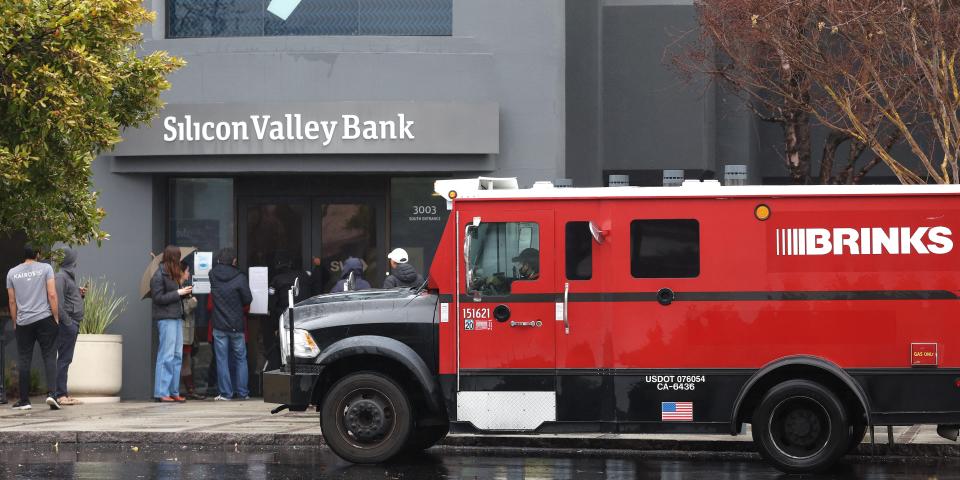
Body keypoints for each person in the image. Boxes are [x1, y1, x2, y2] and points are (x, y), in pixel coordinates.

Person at [6, 244, 61, 410]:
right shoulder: (46, 268)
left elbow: (12, 301)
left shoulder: (12, 273)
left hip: (24, 322)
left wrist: (15, 321)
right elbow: (52, 294)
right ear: (38, 254)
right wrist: (56, 316)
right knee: (50, 357)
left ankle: (24, 400)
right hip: (45, 318)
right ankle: (53, 395)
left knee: (24, 360)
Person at [209, 248, 252, 401]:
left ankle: (226, 393)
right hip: (237, 324)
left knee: (221, 359)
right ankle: (243, 393)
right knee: (241, 358)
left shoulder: (212, 274)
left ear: (220, 260)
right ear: (233, 261)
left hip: (219, 324)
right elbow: (248, 299)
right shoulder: (240, 277)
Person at [151, 245, 192, 403]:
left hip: (176, 317)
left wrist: (183, 293)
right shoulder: (158, 275)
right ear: (173, 257)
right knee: (166, 355)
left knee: (177, 356)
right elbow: (158, 298)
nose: (179, 259)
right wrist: (178, 293)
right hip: (165, 318)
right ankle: (161, 392)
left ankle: (173, 391)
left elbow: (173, 297)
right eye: (178, 257)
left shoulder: (173, 275)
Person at [53, 248, 85, 406]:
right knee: (64, 359)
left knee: (66, 359)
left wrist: (79, 294)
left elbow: (68, 297)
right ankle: (60, 395)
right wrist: (68, 323)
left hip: (72, 323)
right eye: (74, 259)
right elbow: (57, 303)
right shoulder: (60, 277)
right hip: (68, 324)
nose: (76, 262)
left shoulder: (67, 277)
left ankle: (63, 393)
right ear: (70, 260)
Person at [179, 263, 203, 400]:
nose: (189, 274)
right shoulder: (177, 289)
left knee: (186, 360)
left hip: (188, 332)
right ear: (181, 272)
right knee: (183, 360)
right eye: (187, 271)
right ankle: (188, 389)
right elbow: (183, 310)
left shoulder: (184, 288)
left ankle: (190, 389)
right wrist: (193, 302)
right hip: (183, 331)